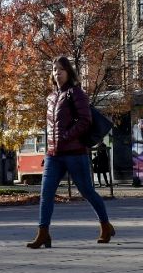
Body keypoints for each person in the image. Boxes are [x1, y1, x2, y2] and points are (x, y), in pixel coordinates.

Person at [27, 56, 113, 248]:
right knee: (46, 193)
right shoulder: (50, 97)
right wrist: (48, 148)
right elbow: (50, 128)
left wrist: (66, 136)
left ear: (69, 72)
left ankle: (105, 226)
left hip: (75, 153)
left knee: (87, 191)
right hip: (53, 155)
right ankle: (43, 233)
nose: (57, 73)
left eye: (61, 70)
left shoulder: (76, 93)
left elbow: (86, 121)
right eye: (54, 69)